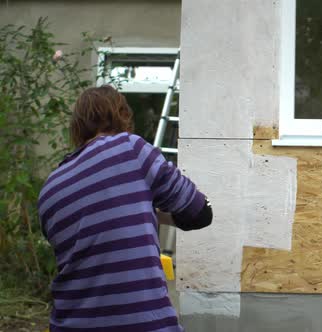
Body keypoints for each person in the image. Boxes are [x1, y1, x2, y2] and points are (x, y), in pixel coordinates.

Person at [37, 85, 212, 331]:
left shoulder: (50, 189)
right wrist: (162, 213)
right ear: (123, 116)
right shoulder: (130, 148)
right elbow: (200, 213)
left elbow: (93, 238)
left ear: (77, 127)